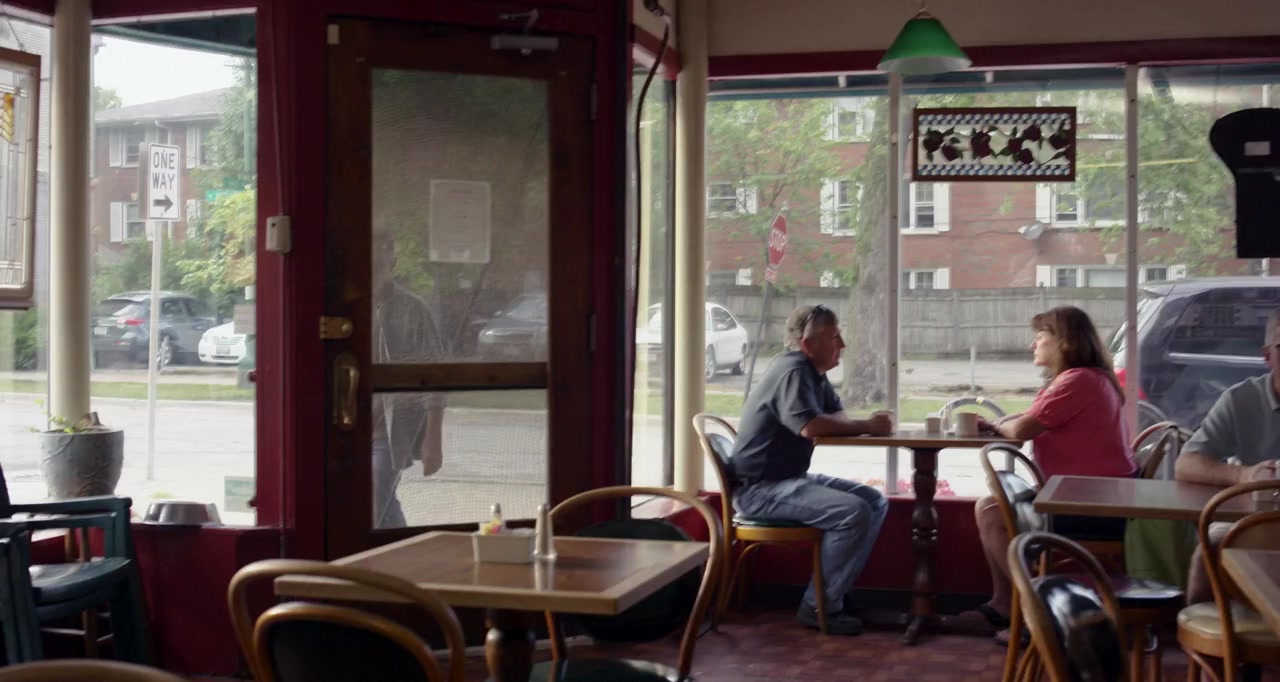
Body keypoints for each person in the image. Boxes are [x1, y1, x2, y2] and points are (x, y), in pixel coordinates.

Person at [967, 306, 1137, 638]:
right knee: (989, 506)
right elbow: (1030, 417)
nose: (1033, 345)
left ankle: (1042, 614)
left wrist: (998, 426)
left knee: (991, 513)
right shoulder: (1089, 378)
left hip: (1093, 506)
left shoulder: (1078, 381)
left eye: (1040, 336)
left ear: (1064, 341)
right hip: (1097, 497)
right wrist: (999, 423)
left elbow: (1022, 430)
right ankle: (1005, 605)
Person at [729, 304, 893, 636]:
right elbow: (811, 426)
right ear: (807, 344)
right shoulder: (793, 370)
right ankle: (819, 606)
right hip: (760, 490)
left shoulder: (813, 372)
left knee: (874, 501)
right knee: (854, 512)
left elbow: (838, 417)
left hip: (785, 481)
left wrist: (860, 423)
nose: (842, 344)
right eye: (834, 337)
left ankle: (834, 593)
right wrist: (869, 426)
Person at [1176, 307, 1280, 604]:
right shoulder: (1241, 399)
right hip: (1250, 521)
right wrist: (1243, 475)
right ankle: (1207, 631)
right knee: (1208, 551)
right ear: (1267, 356)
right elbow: (1186, 463)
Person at [371, 234, 448, 528]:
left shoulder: (413, 309)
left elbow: (434, 374)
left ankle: (397, 549)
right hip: (346, 425)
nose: (375, 261)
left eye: (382, 254)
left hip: (388, 430)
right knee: (376, 501)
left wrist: (433, 438)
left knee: (377, 488)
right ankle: (404, 547)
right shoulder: (343, 306)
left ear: (393, 261)